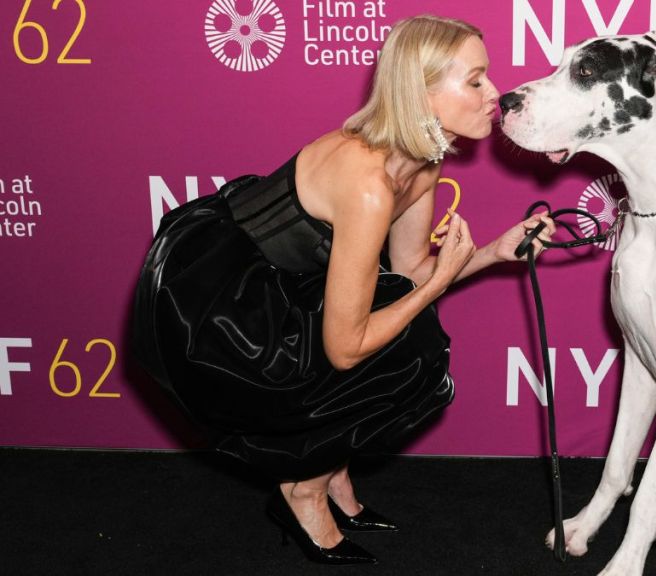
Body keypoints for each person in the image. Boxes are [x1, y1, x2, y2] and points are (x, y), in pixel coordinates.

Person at [132, 15, 553, 565]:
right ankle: (302, 489)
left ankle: (335, 481)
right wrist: (439, 284)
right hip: (224, 306)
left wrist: (496, 250)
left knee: (404, 323)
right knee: (407, 347)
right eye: (474, 81)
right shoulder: (369, 184)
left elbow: (410, 270)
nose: (494, 94)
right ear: (420, 92)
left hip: (291, 283)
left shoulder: (421, 163)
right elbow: (346, 346)